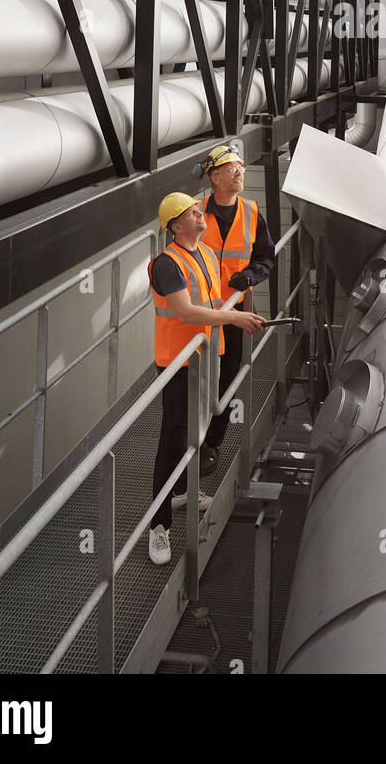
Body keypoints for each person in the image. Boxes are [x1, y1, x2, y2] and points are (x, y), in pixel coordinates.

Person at [148, 192, 266, 567]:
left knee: (197, 431)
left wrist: (245, 313)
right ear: (176, 225)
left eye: (199, 210)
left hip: (204, 358)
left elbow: (216, 301)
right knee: (172, 438)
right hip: (178, 363)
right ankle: (158, 525)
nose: (201, 214)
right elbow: (184, 313)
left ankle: (184, 490)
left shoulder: (205, 254)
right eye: (193, 212)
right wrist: (234, 320)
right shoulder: (168, 264)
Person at [194, 145, 276, 474]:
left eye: (240, 167)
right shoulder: (195, 213)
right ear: (214, 178)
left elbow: (266, 258)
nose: (240, 172)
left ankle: (211, 445)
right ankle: (192, 444)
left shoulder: (253, 212)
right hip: (200, 314)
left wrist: (250, 276)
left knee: (226, 382)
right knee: (198, 382)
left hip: (234, 314)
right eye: (231, 169)